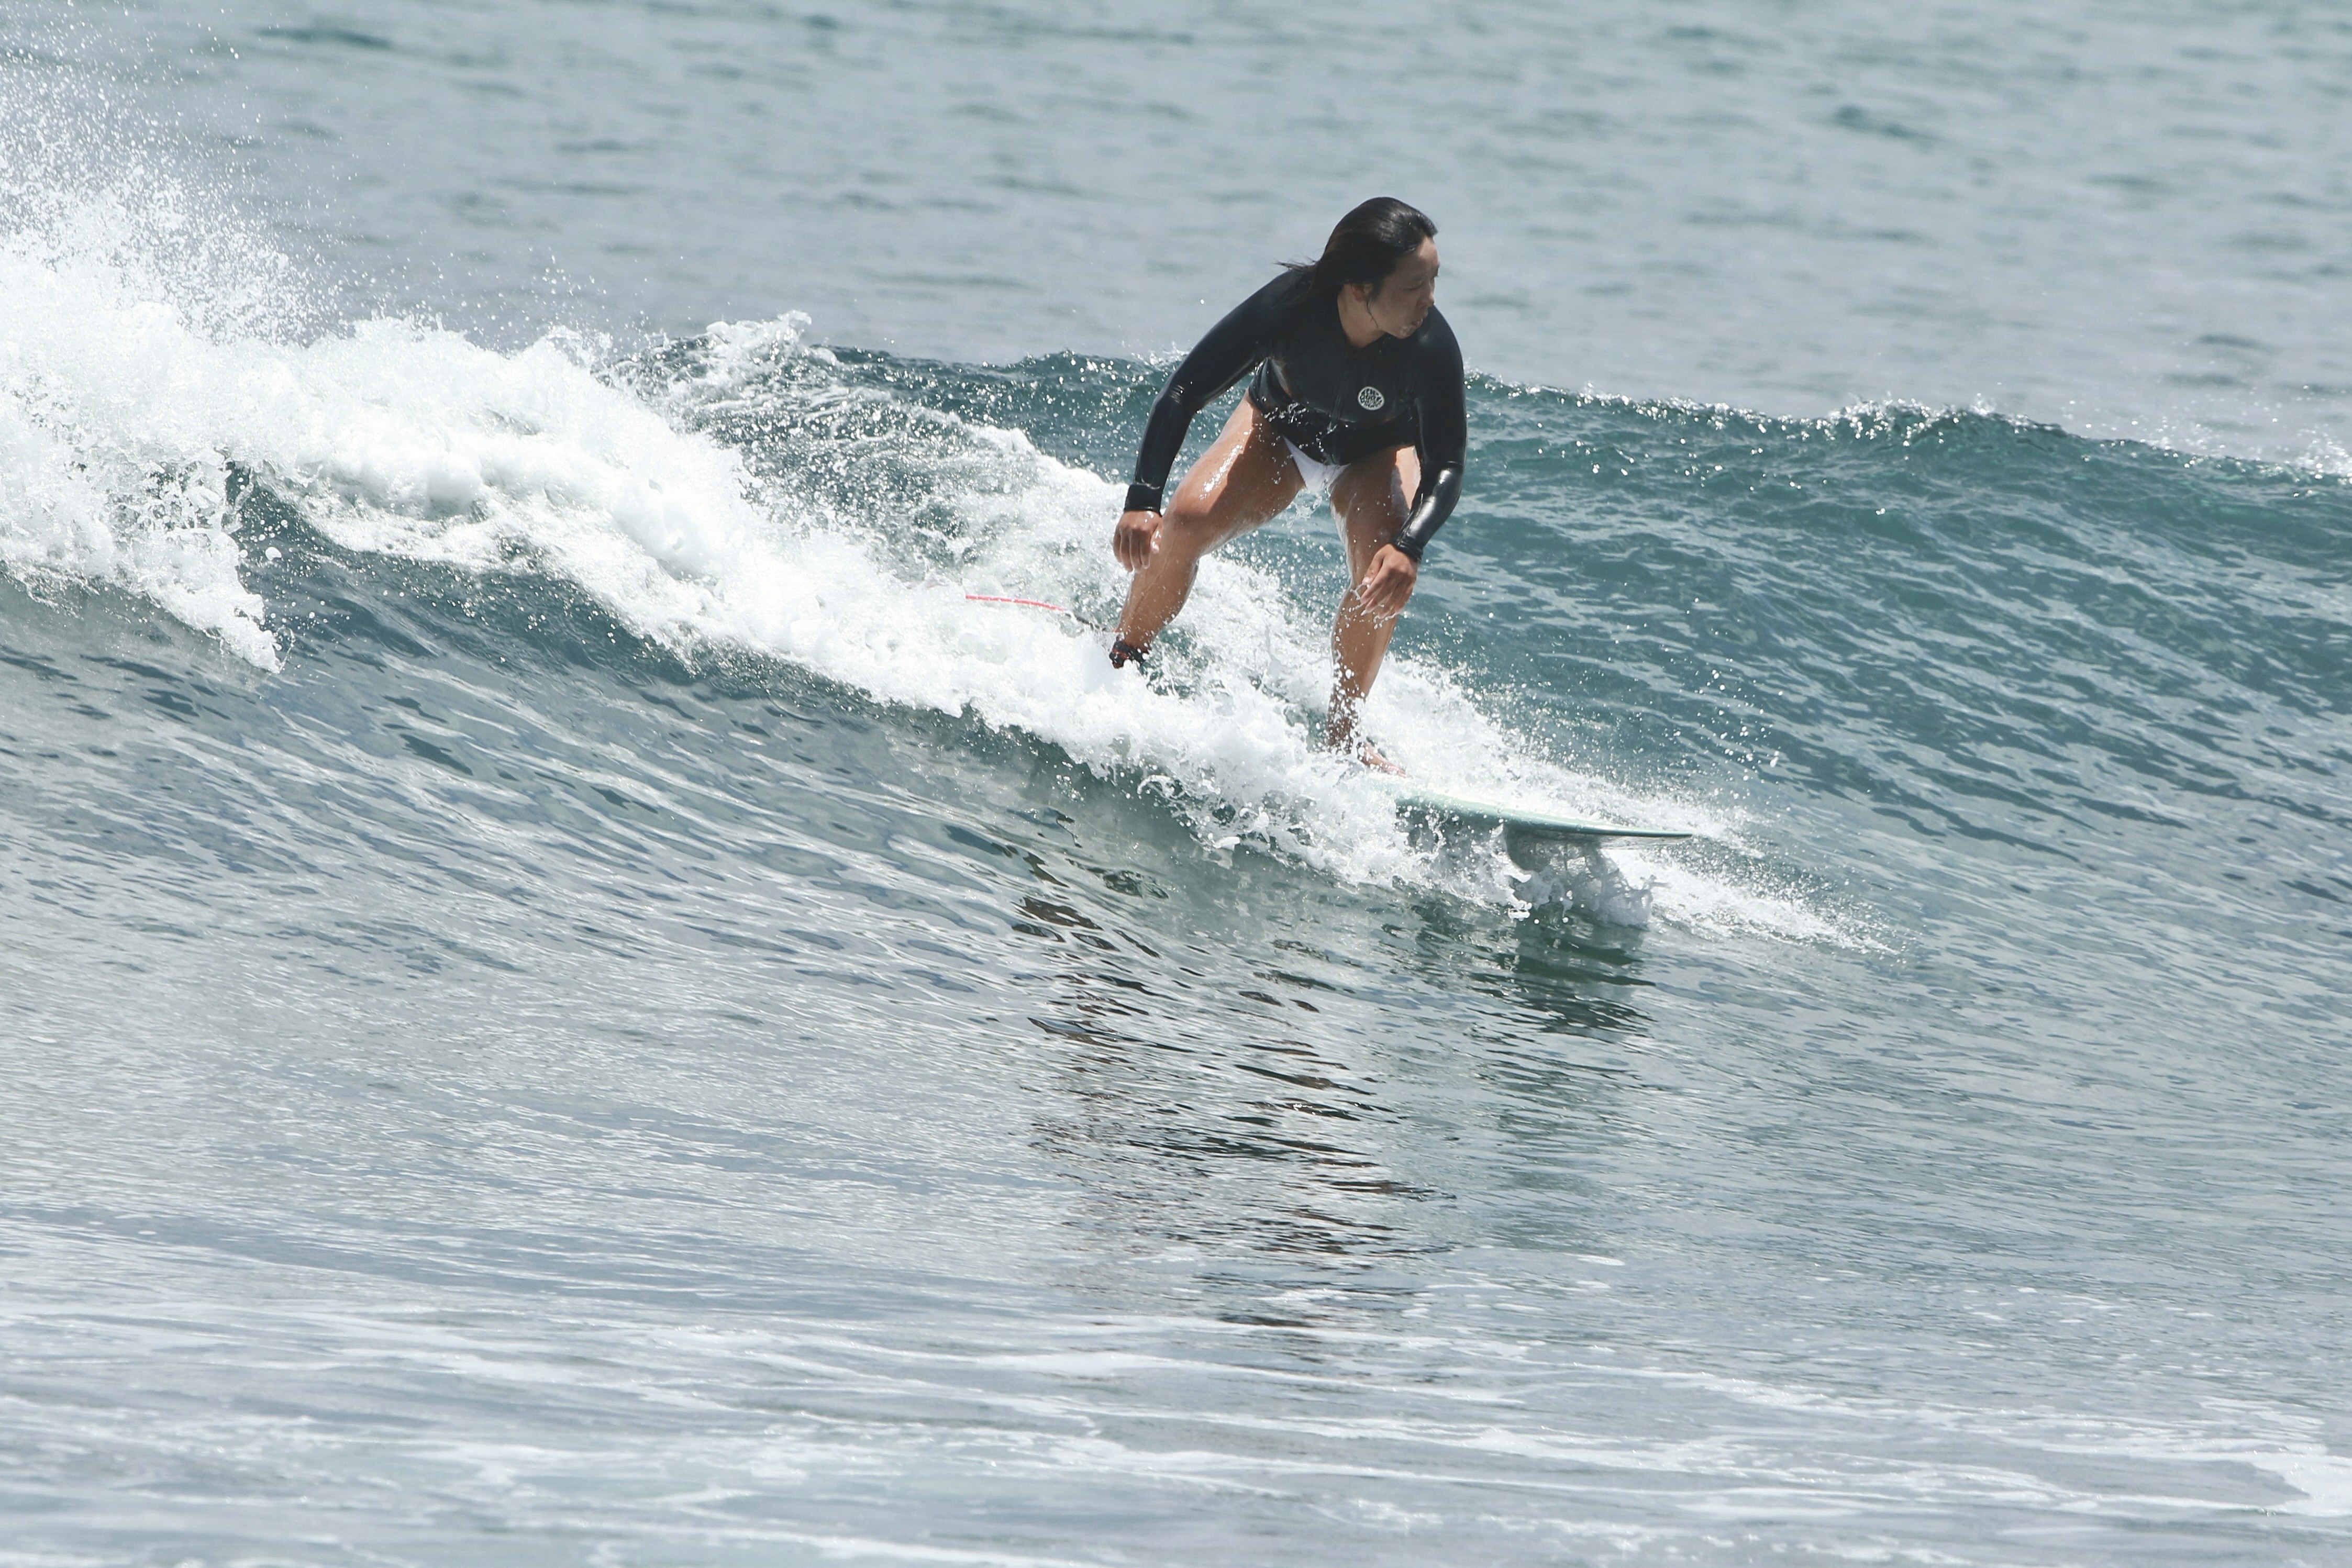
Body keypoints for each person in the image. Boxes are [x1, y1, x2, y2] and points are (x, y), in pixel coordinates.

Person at [1110, 197, 1467, 770]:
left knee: (1382, 574)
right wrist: (1141, 501)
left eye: (1434, 280)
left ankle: (1344, 735)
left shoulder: (1428, 345)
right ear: (1358, 287)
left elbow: (1446, 463)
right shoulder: (1290, 308)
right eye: (1413, 284)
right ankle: (1124, 654)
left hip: (1373, 454)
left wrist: (1409, 547)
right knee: (1186, 520)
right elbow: (1183, 392)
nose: (1430, 299)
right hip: (1279, 430)